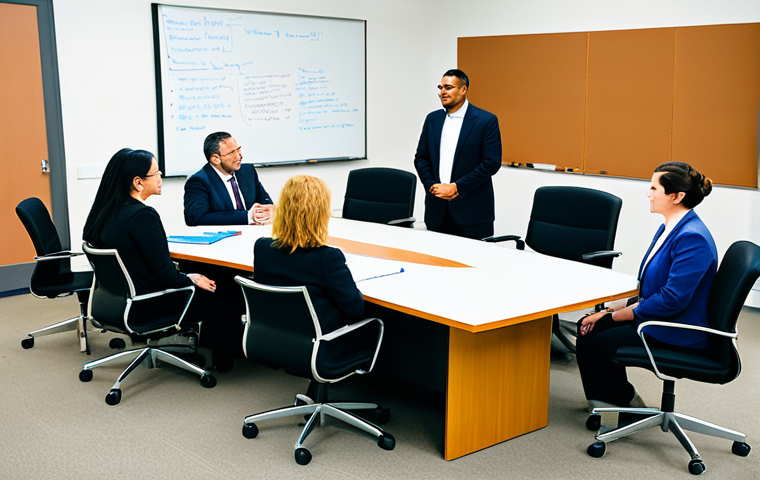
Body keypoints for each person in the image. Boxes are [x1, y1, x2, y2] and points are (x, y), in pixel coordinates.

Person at [576, 161, 717, 409]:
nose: (648, 193)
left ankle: (616, 411)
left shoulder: (692, 237)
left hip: (674, 328)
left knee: (597, 342)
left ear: (676, 196)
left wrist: (618, 315)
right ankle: (619, 402)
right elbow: (650, 286)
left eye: (654, 188)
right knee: (588, 328)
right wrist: (607, 312)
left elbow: (672, 299)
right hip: (659, 315)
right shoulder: (670, 227)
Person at [82, 148, 215, 302]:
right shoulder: (142, 216)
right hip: (147, 304)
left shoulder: (106, 213)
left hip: (114, 303)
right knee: (222, 290)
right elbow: (167, 276)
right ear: (138, 182)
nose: (160, 177)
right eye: (156, 173)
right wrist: (190, 278)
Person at [253, 175, 364, 334]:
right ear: (321, 214)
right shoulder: (328, 258)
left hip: (271, 338)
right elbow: (356, 309)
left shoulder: (262, 248)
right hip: (323, 346)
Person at [413, 69, 502, 240]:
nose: (442, 92)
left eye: (448, 87)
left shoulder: (486, 120)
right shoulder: (433, 119)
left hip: (472, 213)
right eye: (440, 88)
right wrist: (433, 186)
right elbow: (421, 158)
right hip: (437, 210)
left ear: (463, 89)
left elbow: (490, 163)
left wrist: (457, 187)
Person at [184, 131, 274, 226]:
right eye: (232, 152)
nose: (239, 156)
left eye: (238, 149)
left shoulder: (248, 171)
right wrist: (247, 217)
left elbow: (265, 203)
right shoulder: (198, 182)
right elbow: (199, 217)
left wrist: (270, 211)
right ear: (215, 159)